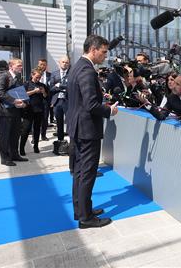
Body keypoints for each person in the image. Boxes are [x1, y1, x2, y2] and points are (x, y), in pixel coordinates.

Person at [67, 35, 118, 229]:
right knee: (87, 173)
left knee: (80, 172)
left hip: (78, 127)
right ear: (94, 49)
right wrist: (109, 110)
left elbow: (82, 99)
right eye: (104, 52)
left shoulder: (78, 66)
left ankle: (81, 210)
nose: (105, 56)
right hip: (87, 130)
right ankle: (86, 218)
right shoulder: (87, 70)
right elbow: (90, 105)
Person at [0, 58, 29, 166]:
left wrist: (24, 103)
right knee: (5, 135)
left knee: (15, 134)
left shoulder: (18, 78)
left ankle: (14, 154)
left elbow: (21, 93)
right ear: (11, 66)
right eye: (19, 65)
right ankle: (5, 158)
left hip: (16, 111)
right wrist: (14, 101)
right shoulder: (3, 76)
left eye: (21, 65)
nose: (21, 67)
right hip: (5, 112)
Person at [19, 68, 47, 155]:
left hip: (39, 109)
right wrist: (34, 91)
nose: (38, 79)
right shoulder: (26, 84)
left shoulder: (42, 85)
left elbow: (46, 97)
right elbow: (23, 95)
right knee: (26, 129)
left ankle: (36, 146)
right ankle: (22, 148)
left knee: (37, 129)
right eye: (37, 77)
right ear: (32, 75)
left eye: (40, 77)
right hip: (28, 109)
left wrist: (43, 92)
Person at [49, 56, 70, 142]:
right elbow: (51, 88)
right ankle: (60, 142)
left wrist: (59, 85)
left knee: (70, 122)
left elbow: (71, 87)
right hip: (57, 101)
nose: (65, 64)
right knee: (59, 123)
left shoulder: (71, 73)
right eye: (63, 62)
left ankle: (71, 142)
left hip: (68, 101)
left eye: (66, 62)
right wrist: (62, 87)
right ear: (59, 63)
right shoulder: (54, 74)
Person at [37, 58, 52, 140]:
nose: (42, 66)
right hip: (36, 100)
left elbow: (51, 88)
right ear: (38, 65)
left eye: (44, 65)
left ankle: (43, 135)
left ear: (46, 66)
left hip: (46, 100)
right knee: (35, 119)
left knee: (45, 118)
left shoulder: (50, 75)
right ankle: (35, 136)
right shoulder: (34, 74)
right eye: (40, 64)